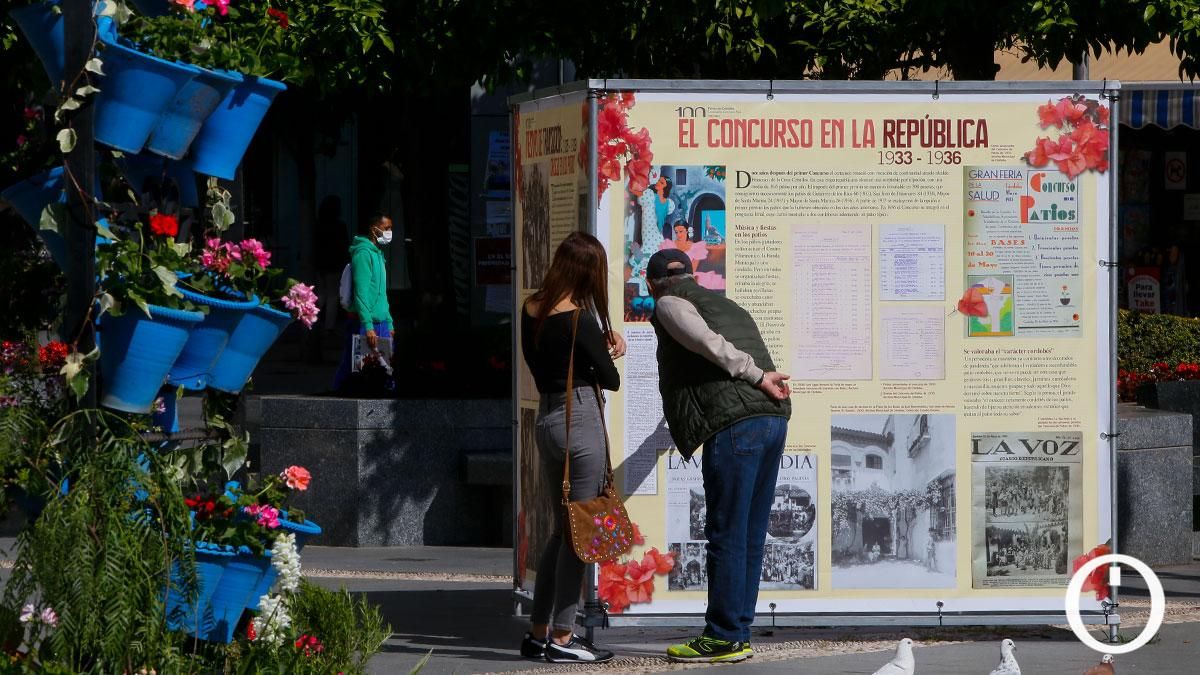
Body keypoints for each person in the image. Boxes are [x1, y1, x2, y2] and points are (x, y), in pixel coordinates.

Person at [645, 249, 791, 664]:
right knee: (749, 533)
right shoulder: (727, 304)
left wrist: (755, 375)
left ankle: (723, 636)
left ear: (652, 283)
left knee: (726, 531)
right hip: (771, 419)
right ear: (691, 274)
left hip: (737, 424)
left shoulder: (670, 303)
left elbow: (708, 343)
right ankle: (738, 633)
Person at [518, 231, 626, 664]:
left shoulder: (531, 307)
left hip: (547, 419)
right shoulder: (579, 319)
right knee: (582, 533)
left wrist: (594, 348)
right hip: (578, 418)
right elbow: (610, 379)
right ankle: (563, 636)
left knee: (561, 531)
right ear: (587, 273)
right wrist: (612, 347)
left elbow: (547, 361)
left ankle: (538, 632)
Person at [333, 213, 394, 391]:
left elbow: (382, 294)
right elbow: (361, 293)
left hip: (380, 322)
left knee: (380, 370)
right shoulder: (363, 254)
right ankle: (339, 395)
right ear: (374, 229)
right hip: (364, 322)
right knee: (357, 369)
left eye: (391, 228)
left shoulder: (378, 254)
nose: (390, 232)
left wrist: (389, 322)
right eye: (386, 228)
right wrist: (368, 326)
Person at [314, 195, 350, 333]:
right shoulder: (339, 226)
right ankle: (329, 326)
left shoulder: (318, 224)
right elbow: (344, 245)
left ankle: (313, 321)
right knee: (333, 295)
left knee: (321, 294)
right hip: (334, 263)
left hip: (320, 263)